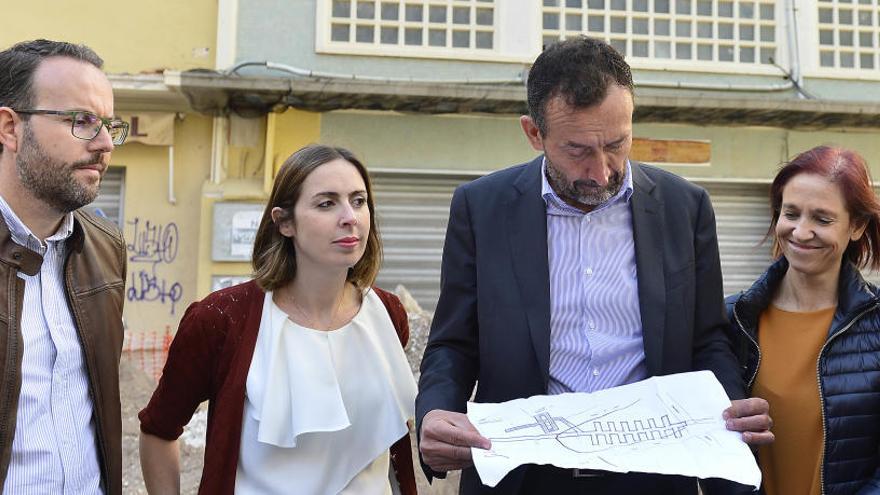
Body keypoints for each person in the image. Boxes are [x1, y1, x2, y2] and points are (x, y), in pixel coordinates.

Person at [415, 36, 773, 494]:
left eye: (617, 144)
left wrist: (730, 423)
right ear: (534, 133)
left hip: (654, 477)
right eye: (578, 151)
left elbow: (706, 341)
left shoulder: (685, 208)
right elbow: (453, 343)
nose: (602, 171)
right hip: (524, 478)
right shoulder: (481, 208)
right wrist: (436, 412)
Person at [138, 144, 418, 494]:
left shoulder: (389, 314)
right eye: (326, 203)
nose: (350, 217)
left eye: (359, 201)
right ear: (284, 222)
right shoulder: (221, 320)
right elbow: (159, 431)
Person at [0, 40, 129, 494]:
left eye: (110, 125)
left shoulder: (106, 249)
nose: (105, 143)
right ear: (10, 128)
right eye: (82, 121)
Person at [726, 145, 880, 495]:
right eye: (791, 213)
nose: (800, 231)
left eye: (822, 219)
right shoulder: (734, 318)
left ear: (856, 226)